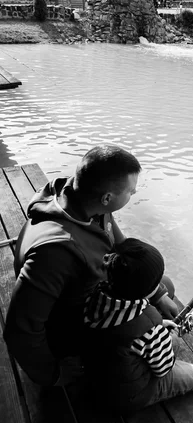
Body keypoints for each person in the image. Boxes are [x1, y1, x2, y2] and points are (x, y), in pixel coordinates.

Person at [3, 145, 178, 387]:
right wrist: (52, 374)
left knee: (163, 285)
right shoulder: (54, 253)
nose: (134, 193)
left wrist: (157, 294)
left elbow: (122, 248)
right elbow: (19, 329)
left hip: (82, 294)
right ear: (107, 197)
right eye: (131, 191)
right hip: (67, 325)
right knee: (147, 318)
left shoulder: (87, 202)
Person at [82, 238, 193, 413]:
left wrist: (158, 329)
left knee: (165, 342)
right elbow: (163, 368)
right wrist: (166, 336)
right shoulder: (149, 324)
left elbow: (126, 332)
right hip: (127, 396)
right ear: (147, 292)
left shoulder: (96, 296)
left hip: (97, 376)